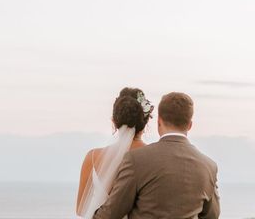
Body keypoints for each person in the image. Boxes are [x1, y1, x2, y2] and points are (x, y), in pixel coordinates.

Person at [92, 92, 220, 219]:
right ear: (190, 125)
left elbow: (110, 214)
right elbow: (212, 215)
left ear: (159, 121)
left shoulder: (136, 160)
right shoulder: (209, 166)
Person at [76, 87, 154, 218]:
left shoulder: (93, 157)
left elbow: (81, 210)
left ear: (114, 121)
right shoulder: (154, 157)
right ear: (146, 122)